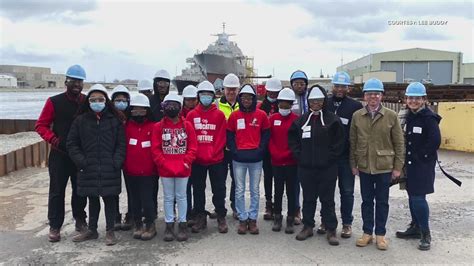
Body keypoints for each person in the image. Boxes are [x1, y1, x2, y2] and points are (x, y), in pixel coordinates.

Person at [67, 84, 126, 246]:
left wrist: (116, 161)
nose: (97, 102)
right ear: (88, 102)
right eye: (93, 100)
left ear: (106, 101)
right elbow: (72, 143)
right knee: (92, 199)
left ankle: (110, 231)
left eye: (101, 99)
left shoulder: (115, 121)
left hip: (110, 167)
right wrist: (81, 161)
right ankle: (92, 230)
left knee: (110, 199)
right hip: (88, 167)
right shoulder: (80, 121)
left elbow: (121, 145)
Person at [350, 78, 405, 250]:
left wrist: (397, 167)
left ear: (381, 96)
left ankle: (380, 235)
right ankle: (367, 233)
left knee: (382, 202)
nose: (373, 96)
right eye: (369, 93)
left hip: (384, 167)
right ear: (364, 96)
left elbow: (399, 143)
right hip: (365, 166)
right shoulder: (357, 116)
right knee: (366, 201)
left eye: (376, 93)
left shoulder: (391, 116)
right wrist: (353, 163)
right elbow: (352, 142)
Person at [35, 64, 88, 242]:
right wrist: (54, 140)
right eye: (73, 81)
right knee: (57, 191)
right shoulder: (54, 102)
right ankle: (55, 225)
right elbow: (41, 125)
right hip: (60, 155)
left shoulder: (86, 102)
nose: (76, 84)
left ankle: (80, 221)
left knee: (80, 190)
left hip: (79, 155)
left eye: (79, 81)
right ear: (66, 81)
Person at [288, 85, 344, 245]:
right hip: (306, 168)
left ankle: (331, 228)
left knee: (327, 200)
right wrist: (300, 156)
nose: (316, 104)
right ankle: (307, 226)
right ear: (308, 102)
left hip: (328, 168)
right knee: (308, 199)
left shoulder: (333, 120)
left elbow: (339, 143)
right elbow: (293, 140)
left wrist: (329, 159)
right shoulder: (301, 121)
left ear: (324, 101)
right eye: (312, 101)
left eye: (319, 101)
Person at [317, 72, 363, 238]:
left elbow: (359, 133)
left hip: (345, 157)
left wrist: (356, 159)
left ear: (348, 88)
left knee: (347, 191)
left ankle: (346, 224)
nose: (339, 89)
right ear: (332, 86)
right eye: (337, 86)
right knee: (326, 191)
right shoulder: (324, 104)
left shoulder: (355, 107)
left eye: (343, 86)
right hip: (327, 157)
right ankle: (325, 220)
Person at [395, 82, 441, 251]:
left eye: (417, 98)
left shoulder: (428, 118)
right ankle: (415, 227)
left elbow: (435, 141)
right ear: (406, 99)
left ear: (423, 99)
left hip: (422, 166)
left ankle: (425, 233)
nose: (413, 101)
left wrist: (421, 157)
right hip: (409, 164)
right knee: (411, 196)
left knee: (418, 198)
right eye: (410, 98)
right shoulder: (409, 115)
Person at [151, 92, 197, 242]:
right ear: (163, 108)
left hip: (183, 168)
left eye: (175, 106)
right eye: (168, 105)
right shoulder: (158, 127)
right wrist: (163, 163)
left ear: (180, 107)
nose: (171, 108)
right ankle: (169, 224)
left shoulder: (187, 126)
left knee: (182, 196)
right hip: (165, 169)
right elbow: (156, 148)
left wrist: (186, 162)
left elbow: (192, 147)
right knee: (169, 197)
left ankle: (182, 223)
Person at [227, 84, 270, 235]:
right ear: (240, 98)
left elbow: (266, 134)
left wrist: (260, 150)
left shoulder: (261, 115)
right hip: (239, 159)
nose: (246, 100)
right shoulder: (234, 116)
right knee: (239, 190)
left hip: (256, 159)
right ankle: (242, 218)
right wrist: (234, 151)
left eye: (249, 97)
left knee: (254, 190)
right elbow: (230, 135)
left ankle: (252, 219)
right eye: (244, 97)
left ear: (253, 99)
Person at [186, 81, 228, 234]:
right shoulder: (191, 115)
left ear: (213, 96)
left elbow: (221, 137)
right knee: (198, 190)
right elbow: (190, 138)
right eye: (203, 95)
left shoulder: (219, 115)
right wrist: (197, 154)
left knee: (219, 189)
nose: (206, 98)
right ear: (198, 96)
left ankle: (221, 216)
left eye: (209, 95)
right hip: (197, 161)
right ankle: (200, 216)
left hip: (216, 159)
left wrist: (212, 153)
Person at [123, 94, 159, 241]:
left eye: (141, 110)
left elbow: (157, 148)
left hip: (148, 172)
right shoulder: (126, 127)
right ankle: (138, 224)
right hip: (131, 171)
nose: (138, 113)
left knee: (147, 200)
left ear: (147, 111)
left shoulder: (154, 127)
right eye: (135, 110)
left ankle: (150, 224)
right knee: (135, 200)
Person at [268, 87, 299, 233]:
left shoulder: (296, 120)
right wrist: (275, 154)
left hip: (292, 163)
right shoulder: (272, 119)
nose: (284, 107)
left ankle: (291, 219)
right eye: (281, 104)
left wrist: (288, 154)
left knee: (291, 192)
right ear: (278, 103)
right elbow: (270, 139)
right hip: (276, 162)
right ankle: (277, 217)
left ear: (291, 104)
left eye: (287, 104)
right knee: (278, 191)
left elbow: (297, 142)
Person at [257, 77, 282, 220]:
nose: (273, 95)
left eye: (275, 93)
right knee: (268, 177)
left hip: (280, 146)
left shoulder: (283, 105)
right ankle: (268, 203)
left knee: (279, 178)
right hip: (266, 147)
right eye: (271, 92)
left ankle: (277, 206)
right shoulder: (260, 107)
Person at [217, 73, 240, 219]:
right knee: (219, 181)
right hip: (220, 150)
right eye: (228, 89)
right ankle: (219, 207)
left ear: (238, 90)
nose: (231, 92)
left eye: (234, 89)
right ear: (223, 89)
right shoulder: (216, 105)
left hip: (237, 149)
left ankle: (235, 206)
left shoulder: (243, 105)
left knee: (237, 180)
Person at [289, 70, 309, 225]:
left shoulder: (311, 98)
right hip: (295, 141)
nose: (299, 86)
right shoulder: (289, 98)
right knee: (294, 180)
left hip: (310, 142)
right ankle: (296, 210)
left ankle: (310, 214)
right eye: (296, 84)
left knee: (309, 182)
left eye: (302, 84)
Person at [110, 85, 131, 231]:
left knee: (132, 188)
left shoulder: (133, 116)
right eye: (117, 100)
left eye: (124, 100)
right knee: (113, 188)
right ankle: (114, 215)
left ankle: (131, 214)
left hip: (130, 156)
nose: (121, 103)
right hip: (112, 157)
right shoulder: (108, 117)